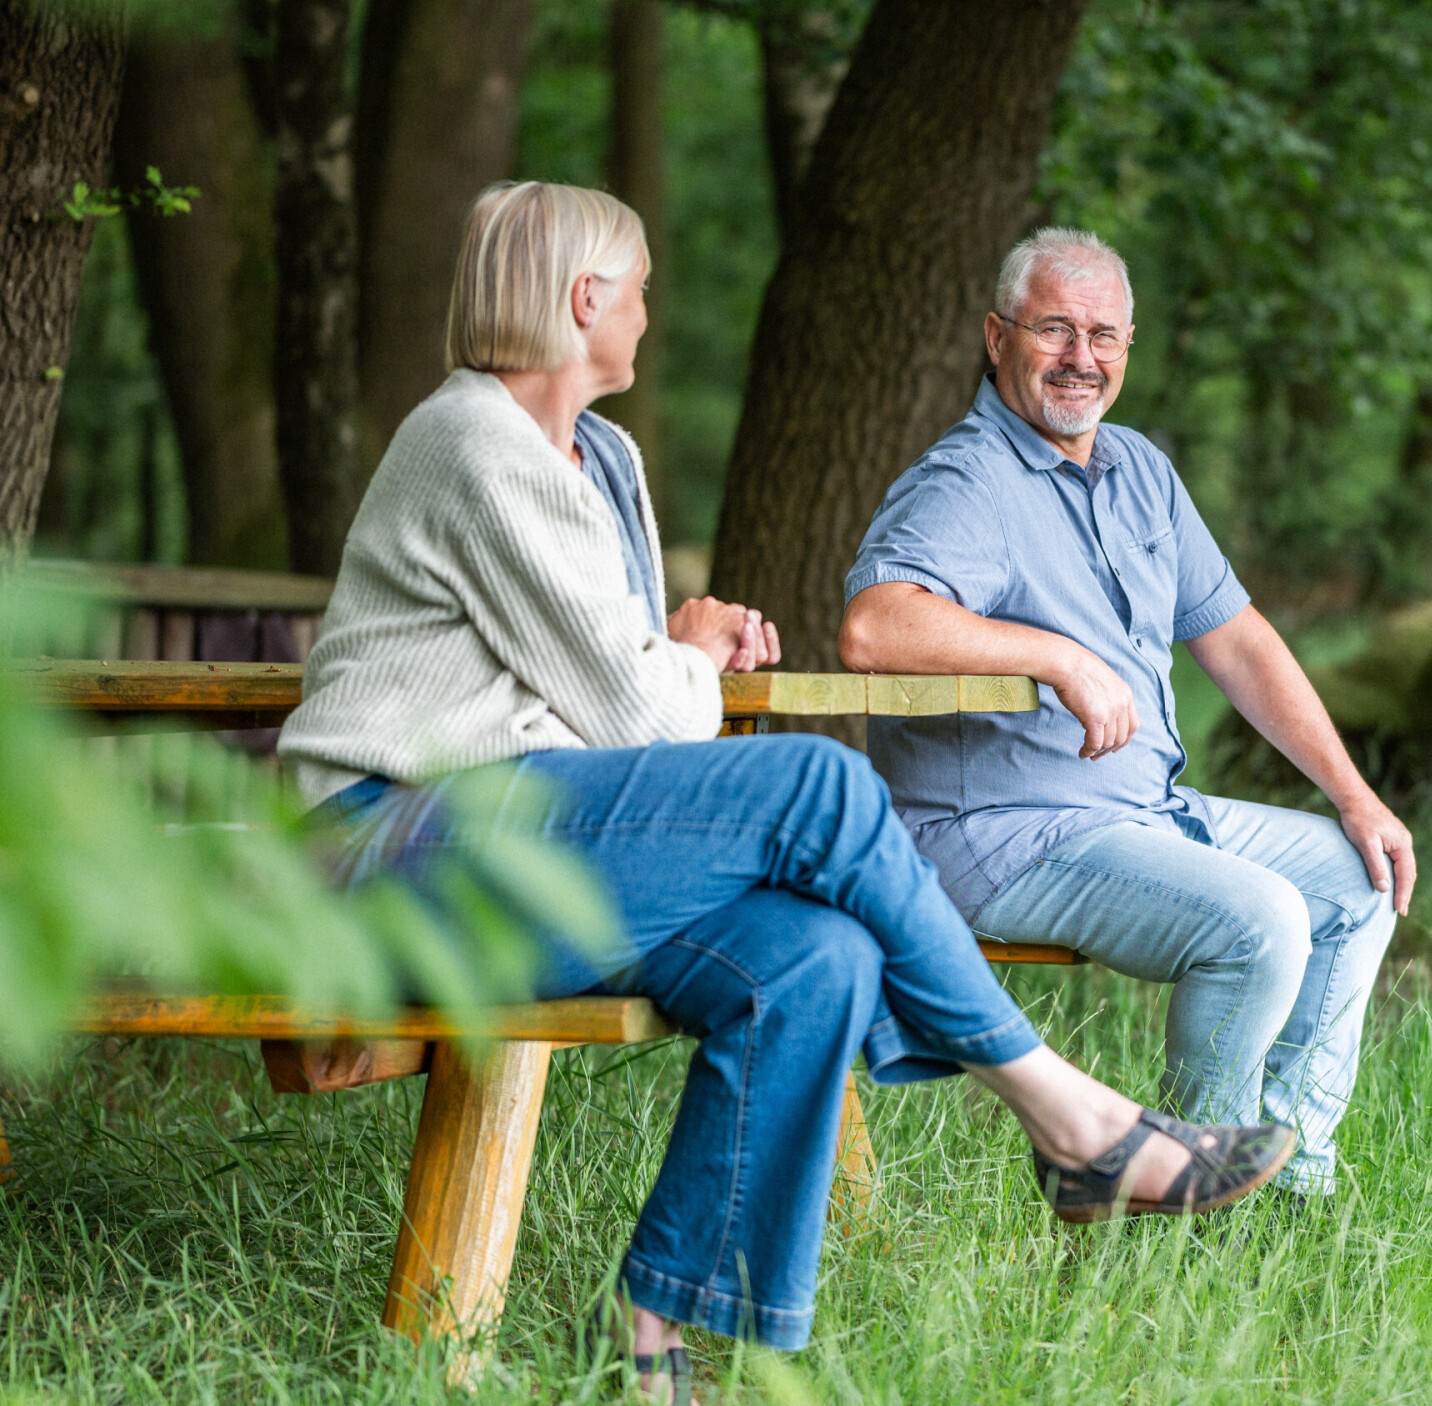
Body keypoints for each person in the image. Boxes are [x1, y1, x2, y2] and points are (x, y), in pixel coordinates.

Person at [277, 185, 1293, 1402]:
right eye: (641, 286)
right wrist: (687, 656)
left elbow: (592, 681)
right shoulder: (473, 441)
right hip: (387, 851)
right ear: (584, 299)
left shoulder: (600, 455)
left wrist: (669, 647)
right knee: (816, 778)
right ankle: (1070, 1118)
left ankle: (654, 1338)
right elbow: (641, 713)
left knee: (814, 957)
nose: (652, 313)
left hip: (525, 835)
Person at [838, 228, 1413, 1209]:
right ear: (996, 335)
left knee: (1356, 879)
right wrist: (1056, 655)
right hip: (1000, 834)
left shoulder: (1141, 469)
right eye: (1053, 328)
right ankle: (1194, 1197)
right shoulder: (967, 482)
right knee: (1259, 915)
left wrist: (1356, 796)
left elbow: (1237, 640)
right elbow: (874, 626)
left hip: (1144, 811)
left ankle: (1286, 1183)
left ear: (1129, 343)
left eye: (1103, 333)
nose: (1081, 357)